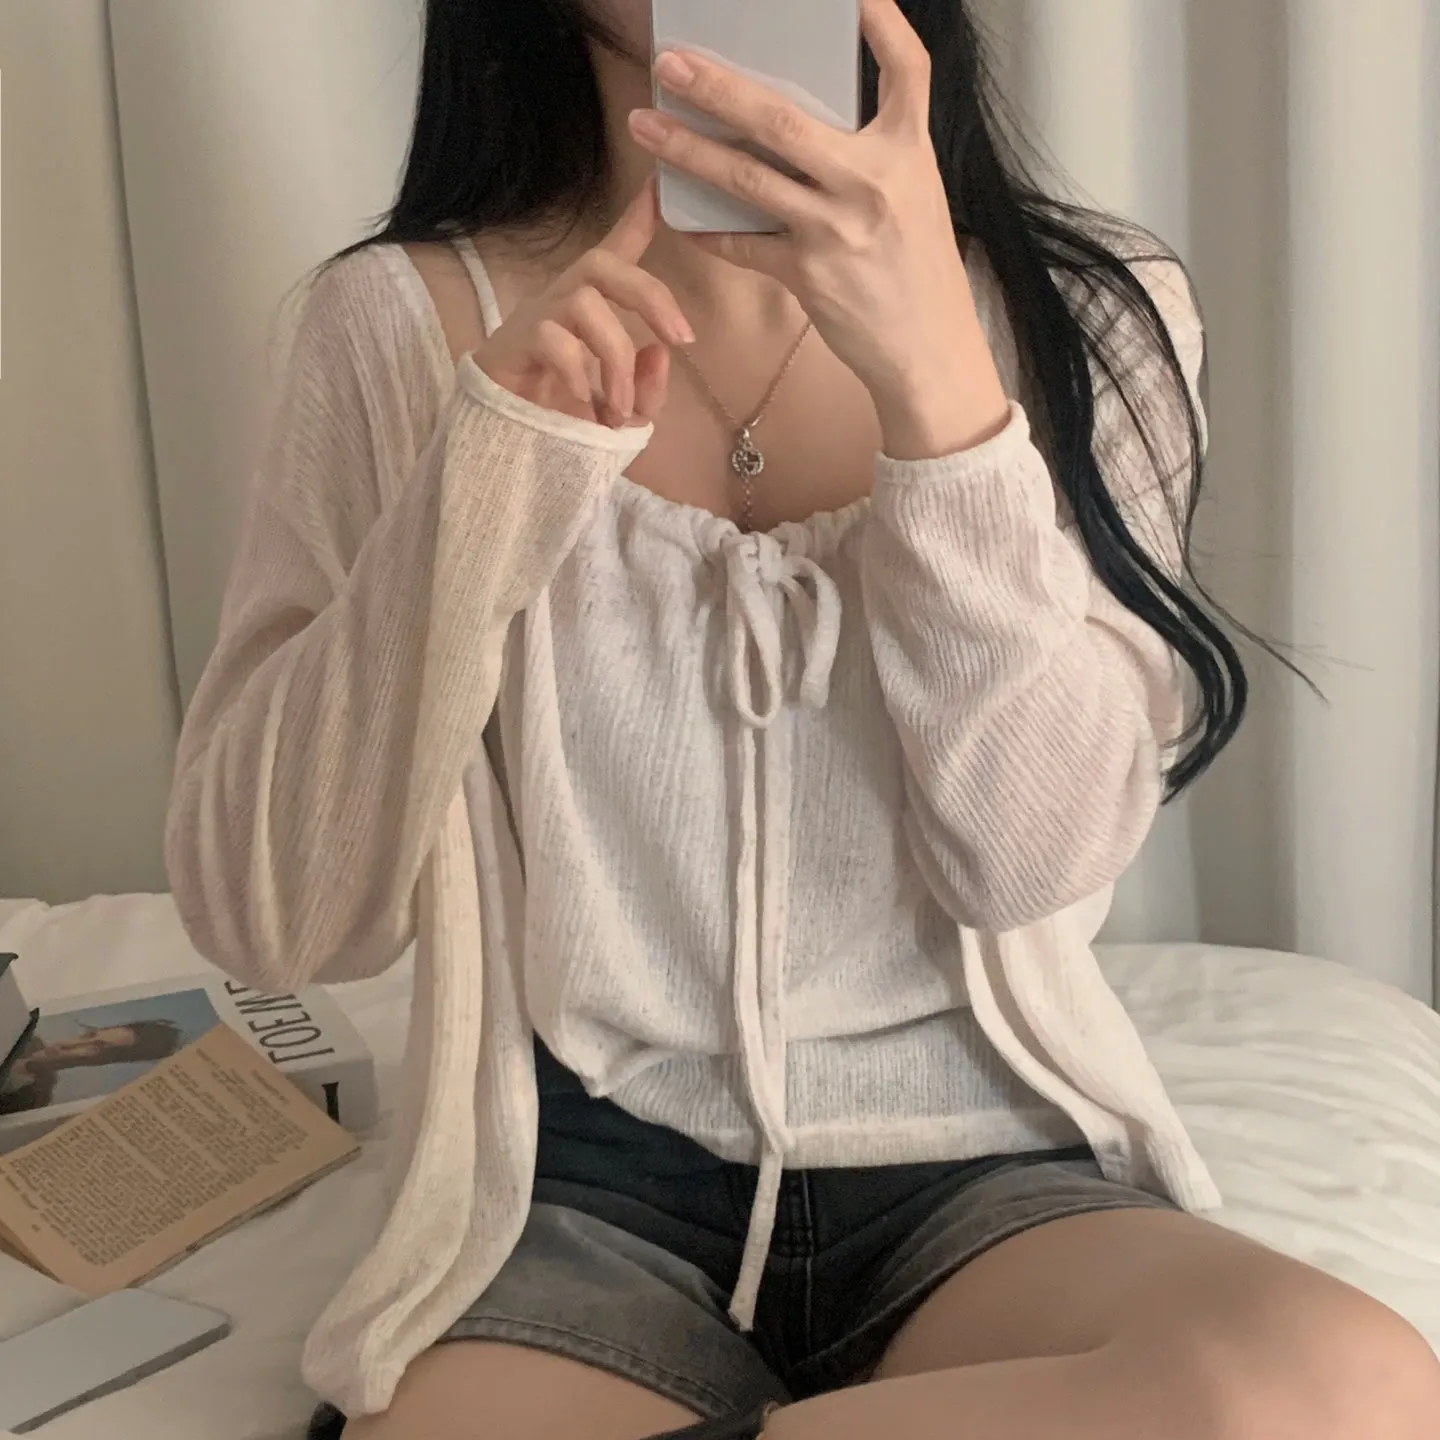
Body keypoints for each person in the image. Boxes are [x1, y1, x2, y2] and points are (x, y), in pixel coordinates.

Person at [165, 1, 1440, 1437]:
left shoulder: (1089, 318)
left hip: (982, 1165)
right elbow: (277, 919)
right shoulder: (396, 324)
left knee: (1342, 1390)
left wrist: (940, 394)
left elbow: (1033, 859)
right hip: (570, 1185)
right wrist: (486, 480)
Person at [0, 1019, 185, 1113]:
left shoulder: (35, 1096)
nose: (68, 1046)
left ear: (99, 1062)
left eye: (95, 1049)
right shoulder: (23, 1033)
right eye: (89, 1035)